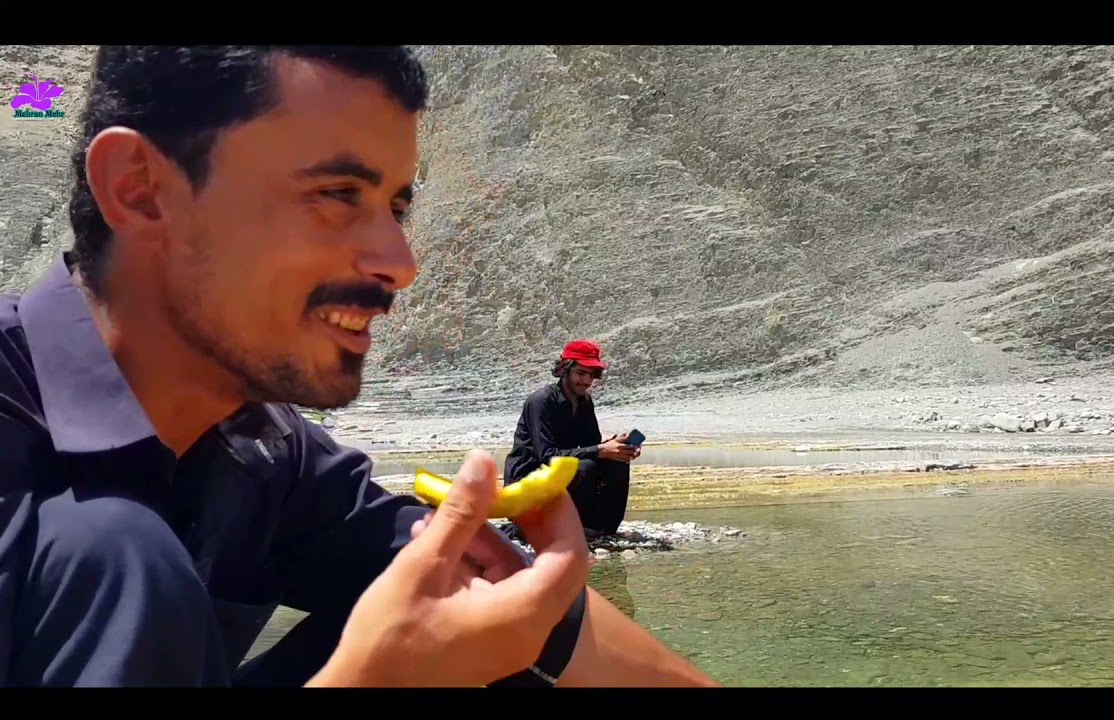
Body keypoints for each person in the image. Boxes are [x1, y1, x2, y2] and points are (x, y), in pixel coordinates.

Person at [0, 46, 718, 688]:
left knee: (465, 612)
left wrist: (527, 612)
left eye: (396, 208)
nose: (400, 266)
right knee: (118, 557)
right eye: (338, 195)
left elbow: (517, 599)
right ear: (139, 188)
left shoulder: (261, 447)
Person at [503, 340, 639, 537]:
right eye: (580, 373)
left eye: (590, 375)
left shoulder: (584, 401)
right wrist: (601, 450)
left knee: (617, 461)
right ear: (565, 370)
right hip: (528, 479)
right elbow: (548, 456)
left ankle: (601, 528)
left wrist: (617, 446)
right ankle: (566, 525)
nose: (585, 381)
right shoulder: (541, 401)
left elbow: (590, 445)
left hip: (561, 473)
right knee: (585, 467)